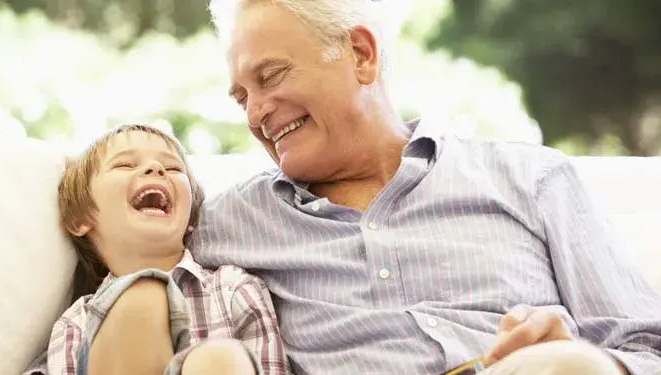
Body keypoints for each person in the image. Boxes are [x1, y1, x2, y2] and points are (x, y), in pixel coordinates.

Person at [187, 1, 661, 374]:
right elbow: (119, 255)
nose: (254, 115)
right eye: (242, 97)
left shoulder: (531, 180)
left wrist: (591, 363)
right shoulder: (224, 221)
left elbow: (648, 346)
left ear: (360, 55)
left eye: (270, 77)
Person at [24, 124, 291, 375]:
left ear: (192, 219)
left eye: (173, 168)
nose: (155, 168)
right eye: (125, 164)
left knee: (218, 359)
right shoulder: (76, 322)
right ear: (80, 219)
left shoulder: (235, 288)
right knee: (142, 296)